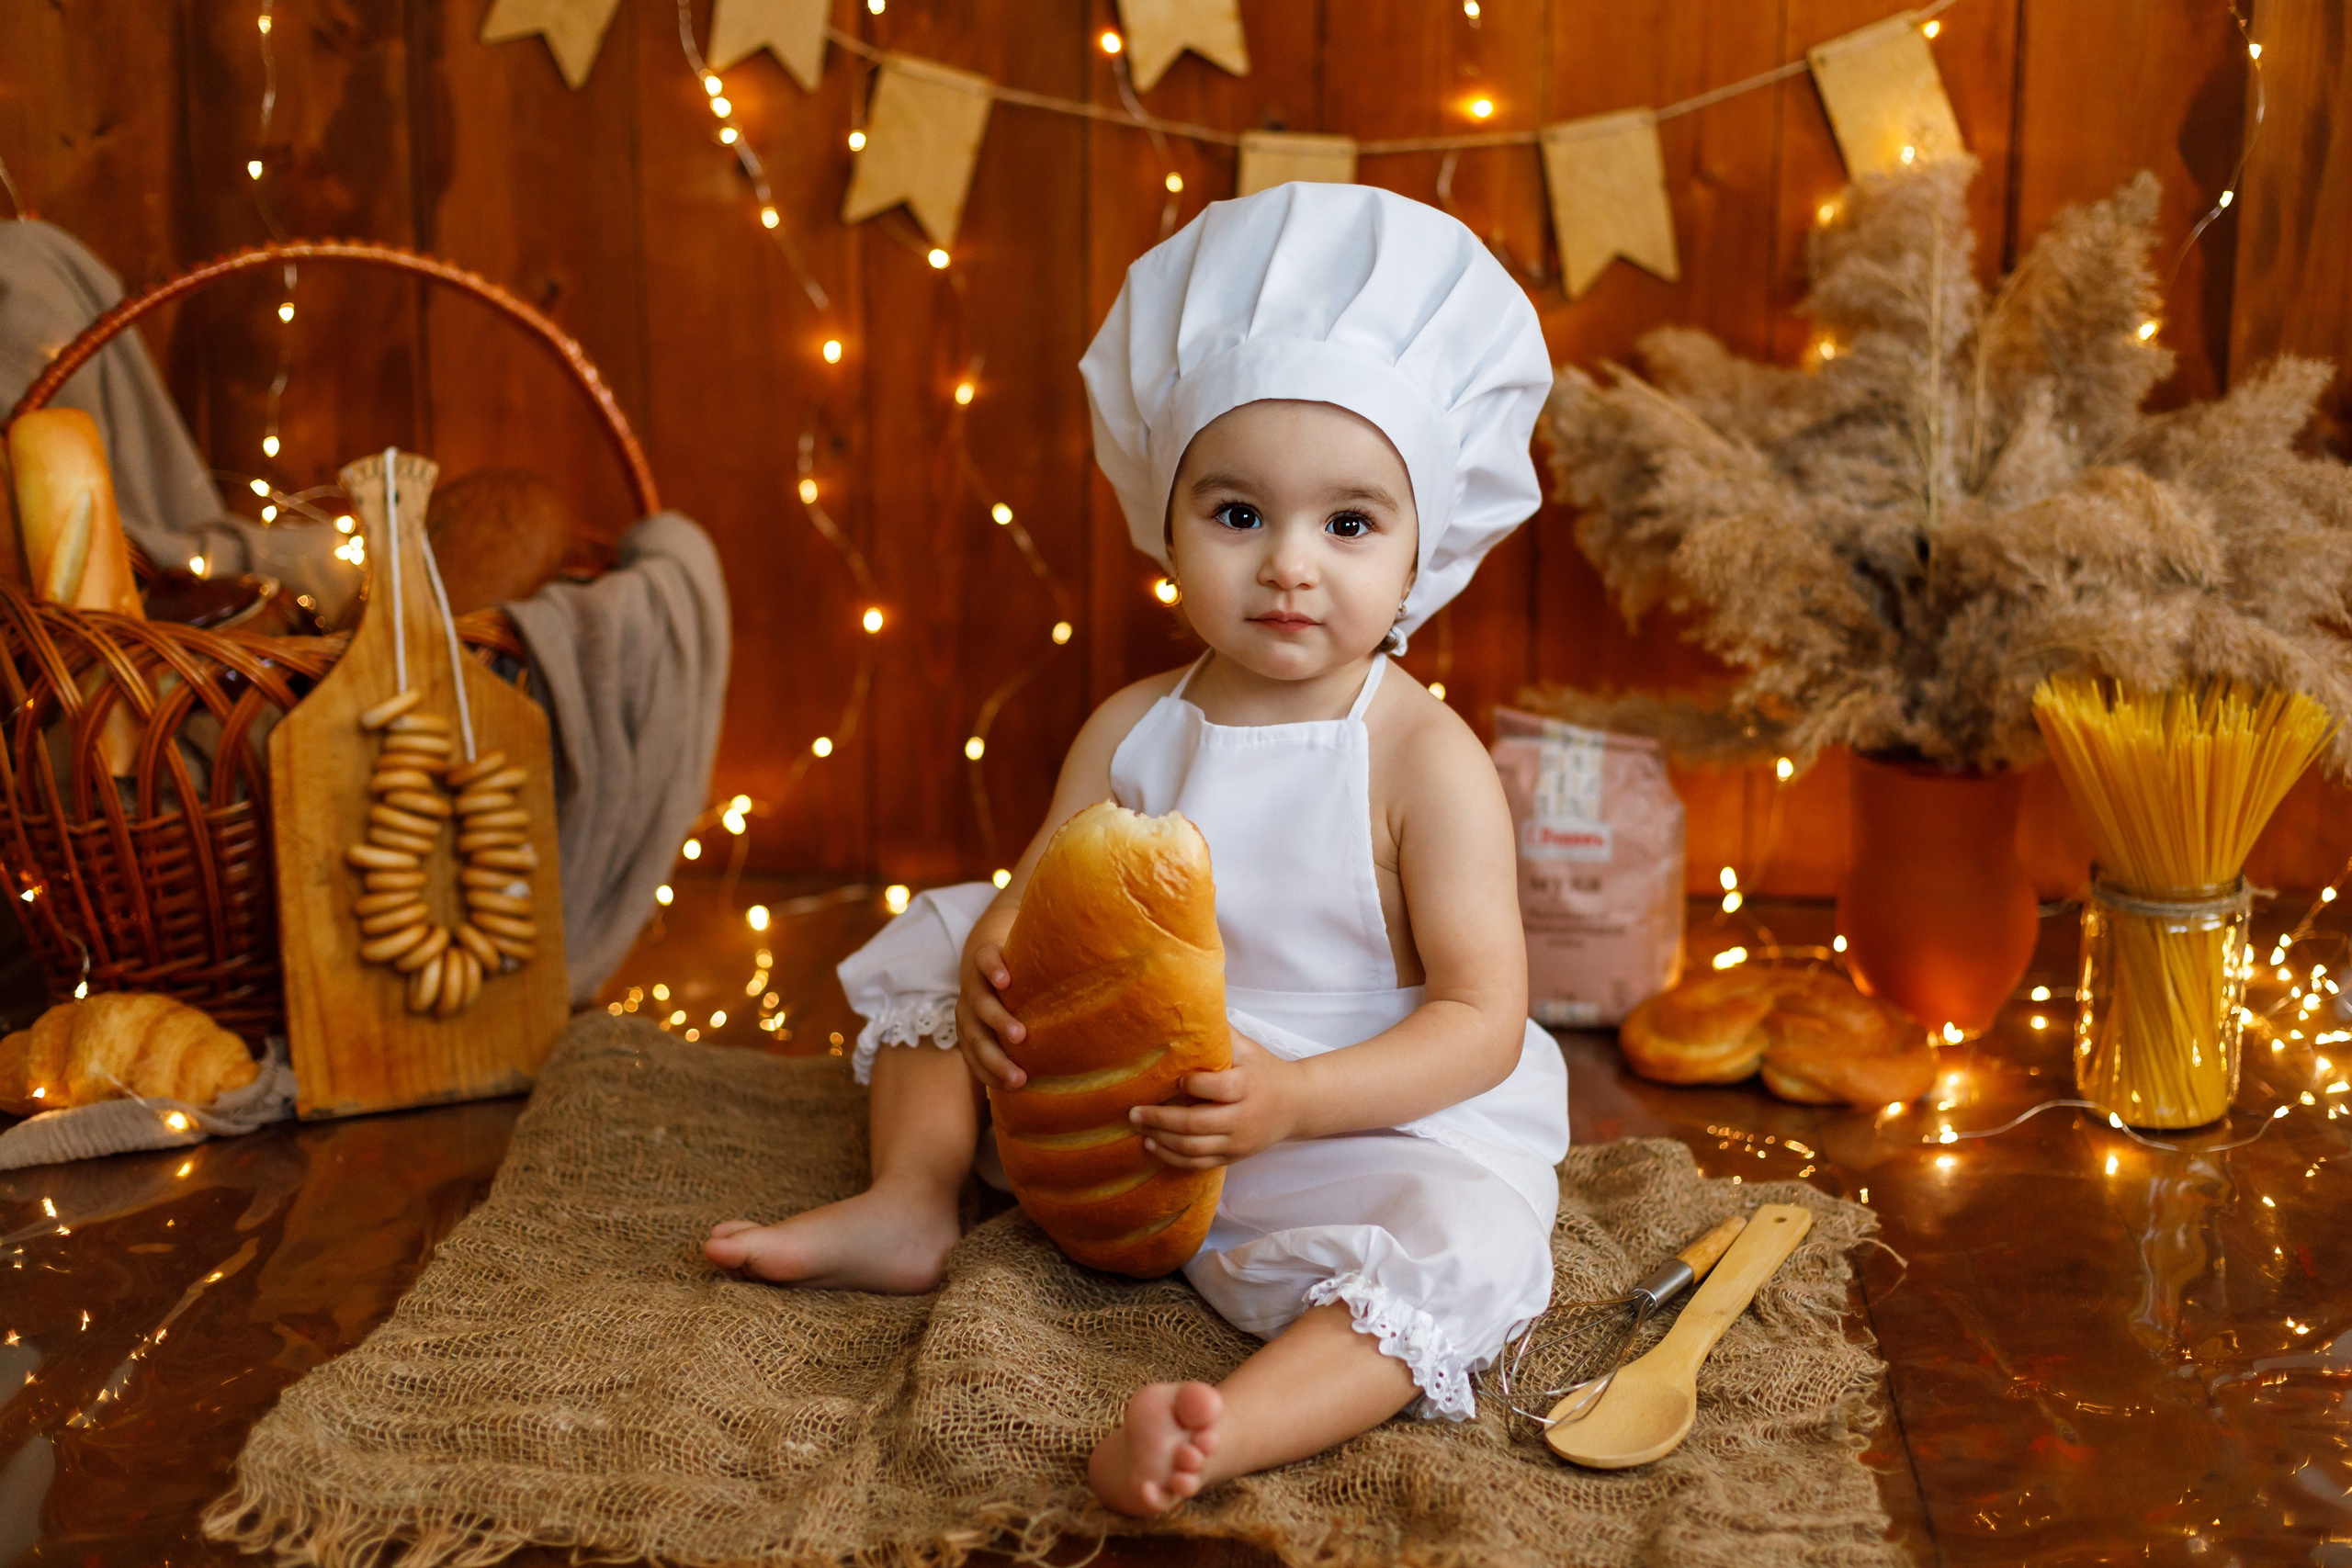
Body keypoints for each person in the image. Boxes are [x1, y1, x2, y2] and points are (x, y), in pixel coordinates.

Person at [706, 182, 1567, 1516]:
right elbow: (1035, 899)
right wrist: (999, 965)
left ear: (1423, 554)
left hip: (1345, 1120)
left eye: (1349, 524)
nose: (1290, 565)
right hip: (1120, 1115)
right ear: (1164, 522)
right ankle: (912, 1197)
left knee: (1474, 1248)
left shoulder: (1423, 756)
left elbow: (1483, 1021)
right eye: (1238, 515)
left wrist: (1296, 1101)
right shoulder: (1133, 725)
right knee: (937, 942)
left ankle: (1222, 1431)